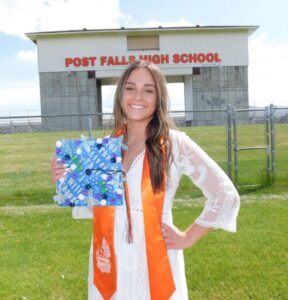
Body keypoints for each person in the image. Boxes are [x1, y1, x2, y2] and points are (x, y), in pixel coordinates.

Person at [50, 60, 240, 300]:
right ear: (121, 94)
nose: (137, 96)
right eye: (130, 88)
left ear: (158, 97)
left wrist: (188, 237)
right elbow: (96, 207)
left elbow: (225, 194)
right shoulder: (104, 147)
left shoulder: (175, 144)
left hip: (155, 256)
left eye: (148, 90)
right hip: (110, 258)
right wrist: (65, 180)